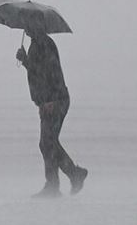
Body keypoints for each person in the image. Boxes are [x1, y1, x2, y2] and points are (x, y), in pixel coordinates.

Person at [16, 20, 88, 198]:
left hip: (56, 100)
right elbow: (37, 72)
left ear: (36, 26)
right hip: (47, 101)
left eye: (28, 25)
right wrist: (25, 61)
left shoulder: (44, 44)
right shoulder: (36, 44)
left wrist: (52, 100)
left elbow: (52, 72)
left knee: (47, 143)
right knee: (47, 143)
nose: (26, 28)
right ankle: (57, 183)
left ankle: (65, 179)